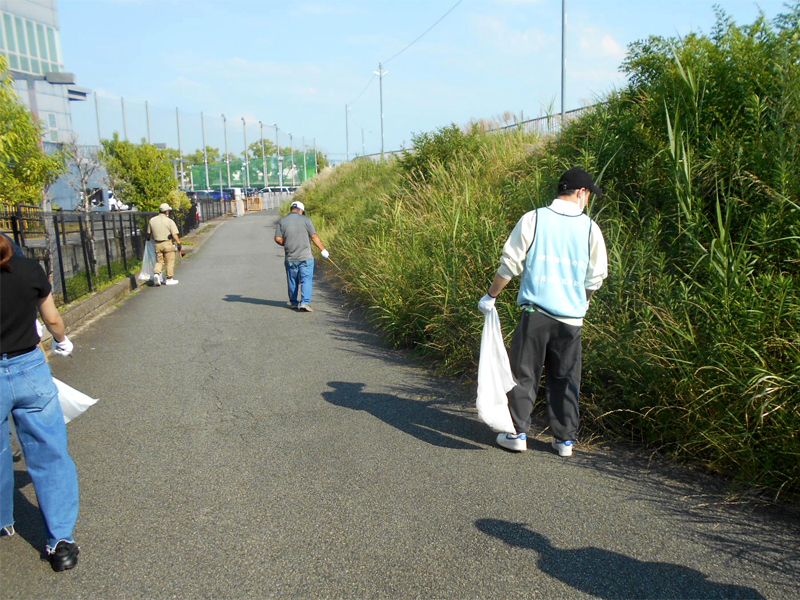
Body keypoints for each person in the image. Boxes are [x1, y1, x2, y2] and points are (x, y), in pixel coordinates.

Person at [478, 167, 608, 455]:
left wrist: (491, 296)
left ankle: (518, 434)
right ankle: (564, 441)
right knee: (566, 378)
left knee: (524, 374)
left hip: (535, 314)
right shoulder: (590, 228)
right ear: (581, 192)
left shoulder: (533, 219)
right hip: (571, 319)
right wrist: (582, 300)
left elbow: (509, 265)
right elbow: (595, 277)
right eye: (589, 195)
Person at [0, 234, 81, 571]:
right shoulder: (28, 269)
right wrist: (63, 342)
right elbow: (52, 319)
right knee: (49, 452)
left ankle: (4, 520)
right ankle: (60, 541)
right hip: (29, 368)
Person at [274, 200, 330, 312]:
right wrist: (323, 250)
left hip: (290, 257)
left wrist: (288, 243)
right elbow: (314, 237)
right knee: (306, 280)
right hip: (306, 257)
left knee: (292, 280)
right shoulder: (306, 220)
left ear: (291, 209)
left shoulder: (282, 221)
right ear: (301, 210)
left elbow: (277, 238)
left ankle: (294, 303)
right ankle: (304, 302)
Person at [146, 203, 182, 286]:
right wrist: (179, 242)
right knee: (170, 261)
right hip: (167, 243)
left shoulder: (152, 220)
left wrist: (148, 239)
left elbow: (148, 233)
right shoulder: (169, 221)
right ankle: (169, 279)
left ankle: (156, 274)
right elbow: (174, 234)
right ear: (167, 212)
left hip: (157, 244)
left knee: (160, 261)